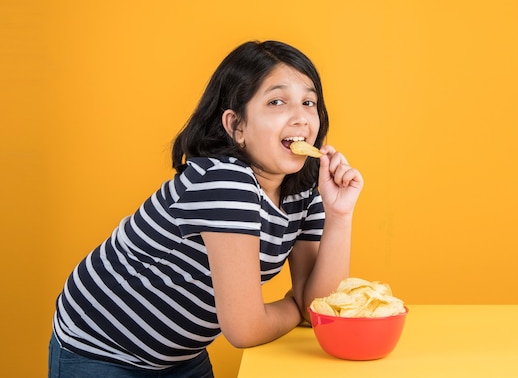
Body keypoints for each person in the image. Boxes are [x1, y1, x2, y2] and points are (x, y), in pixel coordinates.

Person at [48, 40, 364, 377]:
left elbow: (321, 308)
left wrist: (340, 214)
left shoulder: (303, 188)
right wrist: (296, 307)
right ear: (236, 127)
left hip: (179, 354)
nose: (300, 117)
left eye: (308, 102)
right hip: (101, 346)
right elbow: (246, 329)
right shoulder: (225, 182)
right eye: (276, 101)